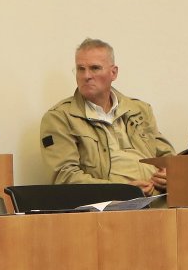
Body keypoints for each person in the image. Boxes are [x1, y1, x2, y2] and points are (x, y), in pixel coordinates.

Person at [40, 38, 173, 194]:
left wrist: (170, 174)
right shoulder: (60, 118)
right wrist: (120, 191)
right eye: (80, 69)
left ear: (113, 73)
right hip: (112, 204)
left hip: (161, 198)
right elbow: (64, 177)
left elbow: (169, 158)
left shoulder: (139, 109)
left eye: (95, 68)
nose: (86, 75)